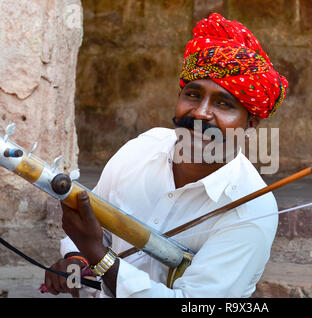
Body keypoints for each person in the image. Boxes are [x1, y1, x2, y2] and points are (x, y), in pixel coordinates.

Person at [44, 13, 288, 298]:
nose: (200, 113)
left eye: (223, 103)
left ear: (251, 124)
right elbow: (97, 229)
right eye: (193, 95)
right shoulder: (142, 149)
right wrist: (78, 260)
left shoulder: (252, 210)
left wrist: (96, 254)